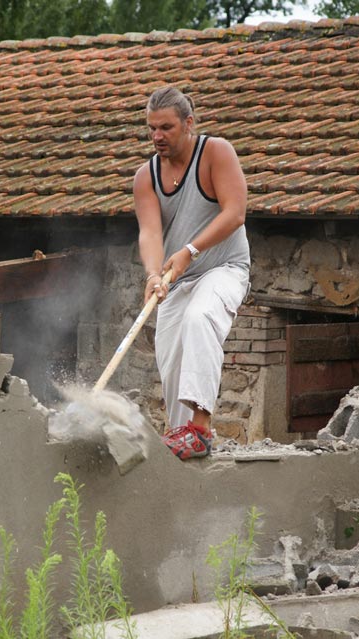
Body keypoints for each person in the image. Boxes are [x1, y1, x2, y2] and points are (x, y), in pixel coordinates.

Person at [133, 85, 251, 460]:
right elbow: (150, 233)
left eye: (166, 127)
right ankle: (180, 439)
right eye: (152, 128)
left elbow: (235, 212)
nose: (157, 136)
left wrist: (190, 251)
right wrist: (153, 274)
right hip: (177, 281)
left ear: (188, 123)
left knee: (199, 319)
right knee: (171, 361)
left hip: (223, 268)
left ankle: (200, 429)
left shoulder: (216, 152)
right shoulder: (146, 175)